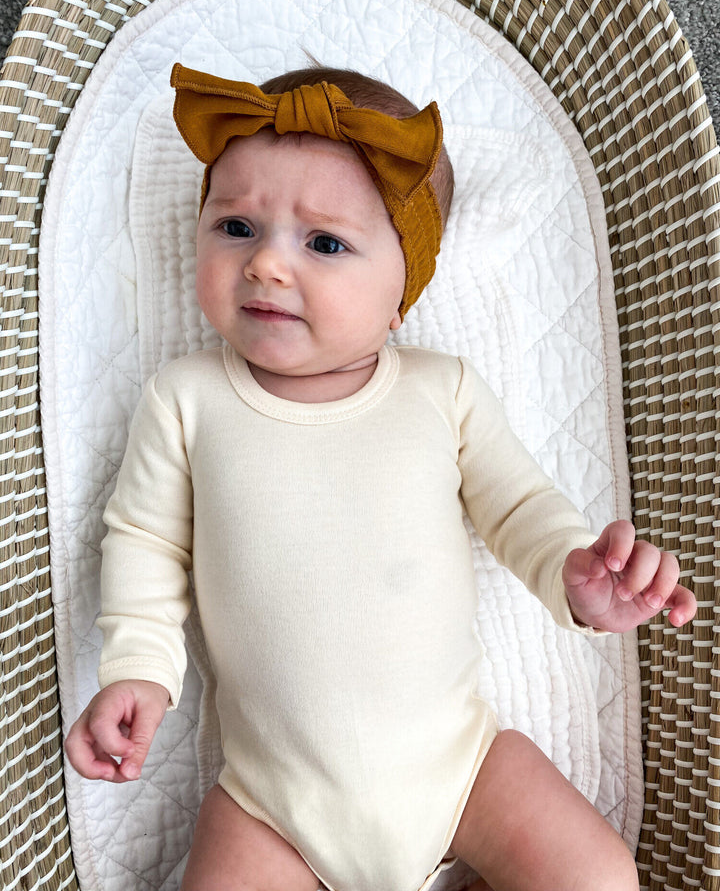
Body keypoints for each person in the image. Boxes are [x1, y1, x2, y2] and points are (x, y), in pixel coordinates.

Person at [65, 63, 697, 891]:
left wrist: (578, 576)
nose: (266, 266)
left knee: (599, 877)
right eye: (236, 228)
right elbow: (144, 541)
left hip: (465, 770)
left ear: (404, 292)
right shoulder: (186, 401)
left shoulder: (443, 391)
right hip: (270, 804)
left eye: (323, 243)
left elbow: (521, 507)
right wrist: (139, 669)